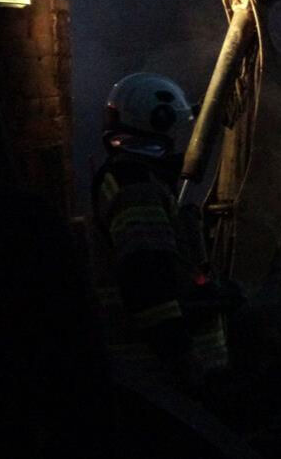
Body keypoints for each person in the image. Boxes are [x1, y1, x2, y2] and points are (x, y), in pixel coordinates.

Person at [92, 72, 228, 391]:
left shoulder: (135, 180)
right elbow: (148, 280)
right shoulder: (137, 188)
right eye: (177, 127)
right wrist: (182, 359)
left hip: (155, 375)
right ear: (161, 122)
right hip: (161, 377)